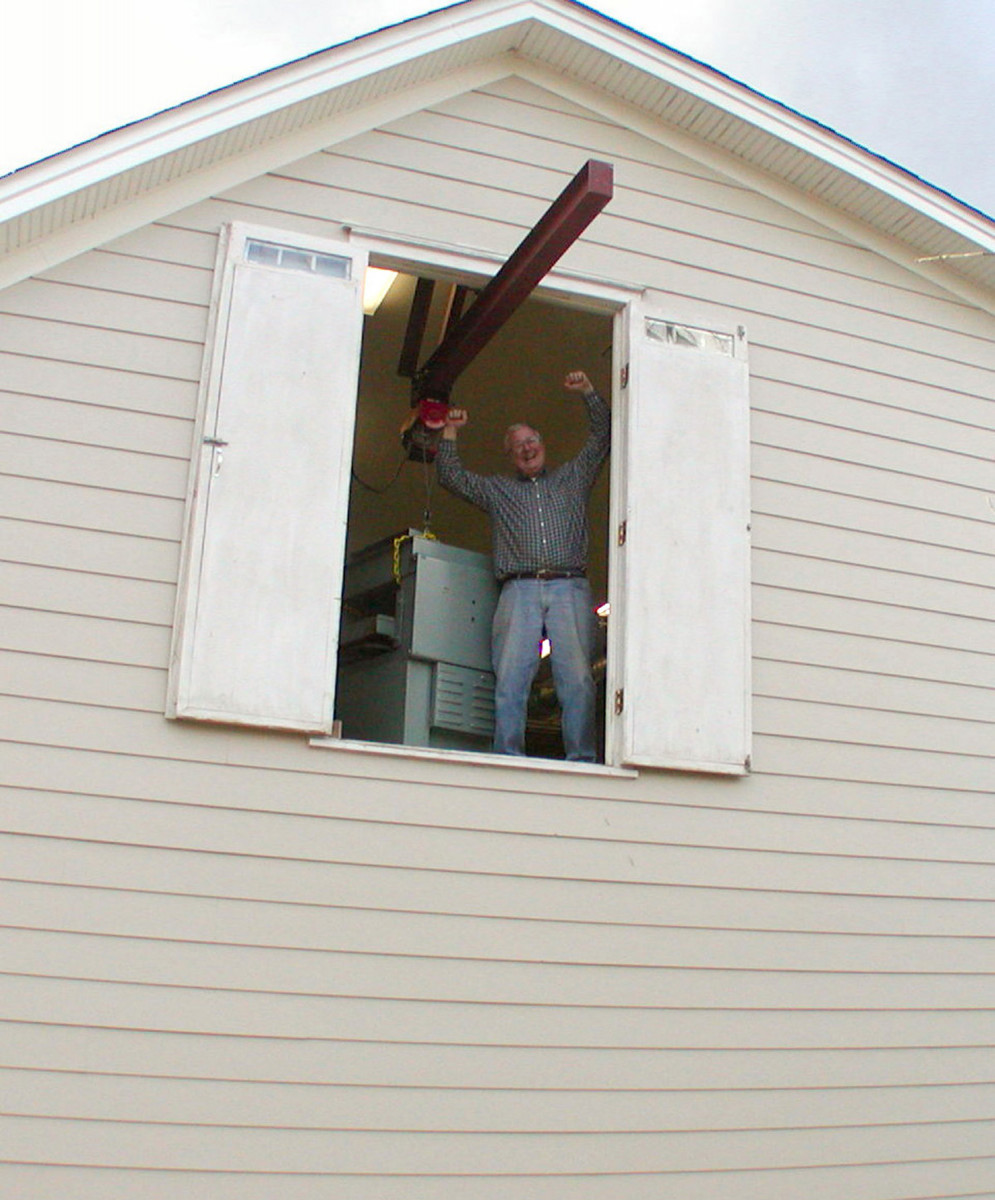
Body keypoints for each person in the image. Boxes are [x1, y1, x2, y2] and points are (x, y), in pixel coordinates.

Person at [435, 370, 610, 761]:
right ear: (510, 455)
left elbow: (602, 437)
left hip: (570, 585)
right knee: (511, 678)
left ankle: (581, 760)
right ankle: (508, 758)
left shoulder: (573, 478)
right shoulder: (499, 490)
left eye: (531, 440)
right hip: (520, 588)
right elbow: (450, 476)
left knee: (578, 679)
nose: (527, 448)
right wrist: (448, 431)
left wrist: (588, 392)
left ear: (543, 445)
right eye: (518, 445)